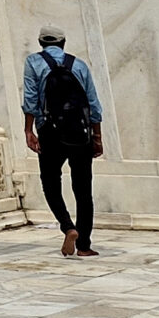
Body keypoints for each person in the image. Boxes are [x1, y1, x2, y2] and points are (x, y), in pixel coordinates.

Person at [22, 26, 104, 257]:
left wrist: (29, 130)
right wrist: (97, 138)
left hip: (49, 131)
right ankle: (85, 246)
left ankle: (68, 227)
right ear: (64, 43)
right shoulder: (78, 65)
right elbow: (93, 105)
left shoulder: (34, 63)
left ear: (41, 43)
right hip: (80, 133)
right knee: (83, 188)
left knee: (50, 182)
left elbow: (30, 99)